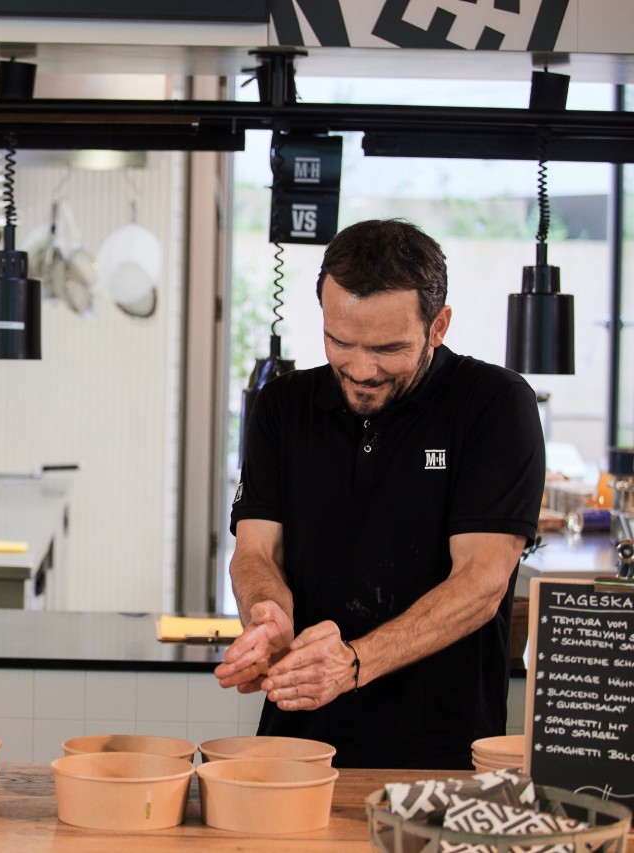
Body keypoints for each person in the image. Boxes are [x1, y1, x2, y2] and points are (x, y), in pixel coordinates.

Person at [216, 219, 545, 769]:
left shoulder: (493, 405)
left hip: (441, 751)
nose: (362, 370)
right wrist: (267, 613)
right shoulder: (283, 406)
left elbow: (482, 583)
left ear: (438, 326)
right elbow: (255, 553)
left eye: (388, 348)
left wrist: (353, 662)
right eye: (340, 342)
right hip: (296, 745)